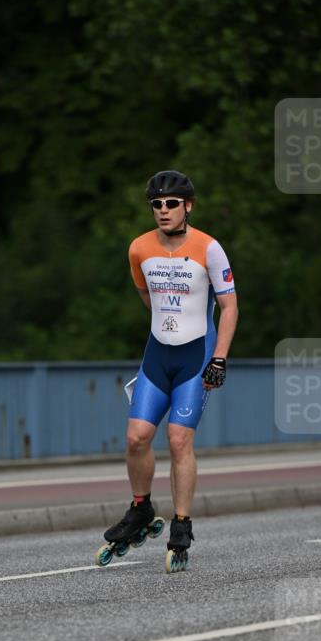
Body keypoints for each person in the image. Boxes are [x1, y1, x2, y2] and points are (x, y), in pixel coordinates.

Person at [101, 169, 239, 573]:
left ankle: (182, 524)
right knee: (136, 438)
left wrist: (219, 358)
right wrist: (168, 324)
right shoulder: (139, 248)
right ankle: (141, 509)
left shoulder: (209, 248)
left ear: (188, 206)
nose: (163, 210)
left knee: (179, 440)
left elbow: (230, 307)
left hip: (197, 357)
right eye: (157, 204)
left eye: (171, 204)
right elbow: (147, 295)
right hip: (157, 355)